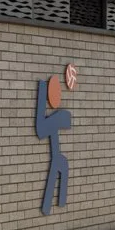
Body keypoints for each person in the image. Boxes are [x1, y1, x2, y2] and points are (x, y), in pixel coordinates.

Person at [35, 76, 73, 216]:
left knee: (61, 164)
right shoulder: (46, 124)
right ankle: (50, 206)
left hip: (56, 155)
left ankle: (58, 202)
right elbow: (41, 130)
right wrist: (43, 87)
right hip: (55, 154)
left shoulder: (52, 122)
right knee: (60, 164)